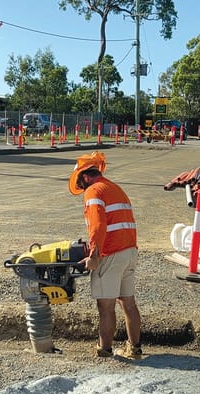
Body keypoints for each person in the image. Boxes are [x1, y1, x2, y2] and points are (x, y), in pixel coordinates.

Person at [68, 151, 142, 360]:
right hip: (129, 251)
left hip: (111, 254)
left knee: (105, 306)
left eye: (80, 182)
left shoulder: (94, 191)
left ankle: (104, 349)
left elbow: (98, 226)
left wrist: (94, 255)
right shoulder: (114, 188)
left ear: (85, 176)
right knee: (128, 303)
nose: (81, 187)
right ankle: (134, 348)